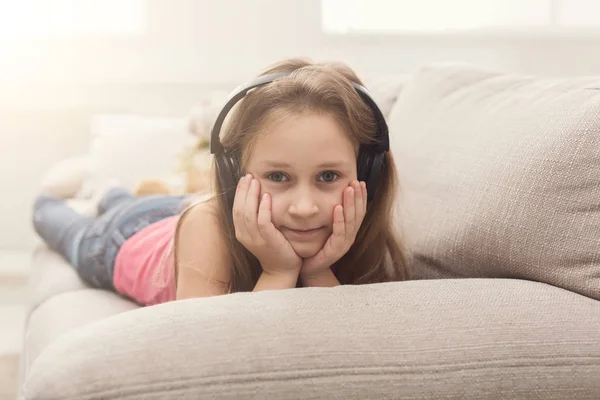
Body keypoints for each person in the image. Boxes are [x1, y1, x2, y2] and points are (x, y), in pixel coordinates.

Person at [32, 57, 408, 306]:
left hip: (174, 215)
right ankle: (104, 194)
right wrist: (279, 271)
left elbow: (343, 342)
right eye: (278, 177)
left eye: (328, 176)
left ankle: (113, 193)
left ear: (368, 174)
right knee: (51, 215)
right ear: (233, 174)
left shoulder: (365, 235)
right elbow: (214, 354)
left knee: (135, 202)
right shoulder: (207, 231)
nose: (304, 208)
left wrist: (316, 271)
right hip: (126, 236)